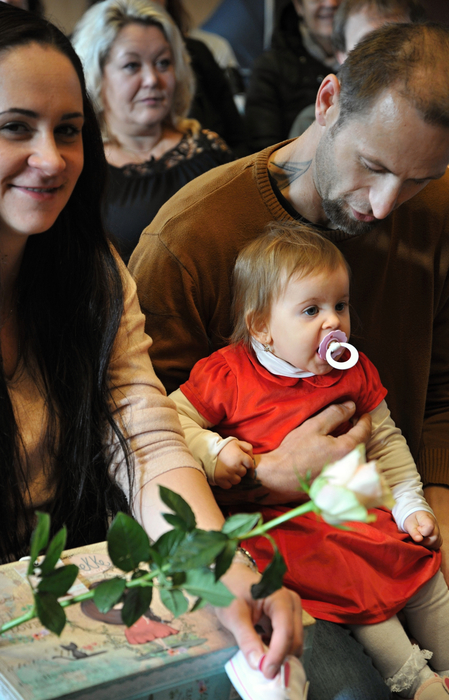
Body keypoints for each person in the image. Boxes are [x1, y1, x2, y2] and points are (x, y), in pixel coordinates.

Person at [129, 22, 449, 699]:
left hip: (397, 516)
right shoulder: (190, 239)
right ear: (328, 100)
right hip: (265, 545)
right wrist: (263, 473)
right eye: (374, 166)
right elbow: (143, 444)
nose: (385, 205)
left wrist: (442, 536)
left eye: (419, 179)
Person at [0, 3, 302, 681]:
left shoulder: (92, 270)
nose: (50, 159)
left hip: (79, 574)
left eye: (69, 130)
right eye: (15, 127)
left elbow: (142, 433)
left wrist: (218, 563)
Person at [171, 222, 449, 698]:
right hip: (295, 531)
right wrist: (214, 451)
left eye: (340, 306)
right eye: (311, 310)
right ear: (262, 327)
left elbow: (386, 442)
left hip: (359, 508)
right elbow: (171, 422)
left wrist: (411, 503)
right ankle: (419, 684)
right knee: (358, 591)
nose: (334, 323)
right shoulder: (227, 375)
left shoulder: (354, 370)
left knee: (423, 571)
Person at [73, 0, 234, 264]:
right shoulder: (82, 164)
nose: (152, 79)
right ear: (97, 75)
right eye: (132, 65)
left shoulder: (210, 150)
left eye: (163, 63)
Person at [288, 0, 425, 138]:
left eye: (397, 42)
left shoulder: (431, 117)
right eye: (368, 44)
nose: (385, 57)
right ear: (341, 56)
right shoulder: (314, 124)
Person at [245, 0, 341, 152]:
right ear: (299, 6)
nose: (330, 3)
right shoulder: (270, 68)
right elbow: (264, 151)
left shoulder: (372, 60)